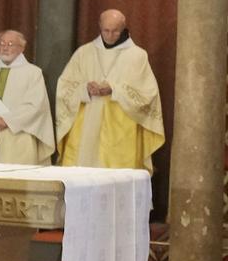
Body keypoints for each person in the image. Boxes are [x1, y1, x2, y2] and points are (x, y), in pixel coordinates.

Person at [55, 9, 165, 171]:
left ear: (124, 28)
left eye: (115, 31)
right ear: (100, 27)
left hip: (121, 129)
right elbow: (64, 86)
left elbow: (147, 93)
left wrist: (114, 89)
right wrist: (85, 88)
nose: (110, 35)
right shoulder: (84, 52)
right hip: (86, 126)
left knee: (116, 176)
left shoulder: (137, 55)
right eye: (106, 30)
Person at [0, 30, 54, 165]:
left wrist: (6, 121)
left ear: (22, 48)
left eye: (10, 44)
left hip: (19, 139)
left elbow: (35, 106)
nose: (5, 48)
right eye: (2, 43)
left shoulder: (33, 73)